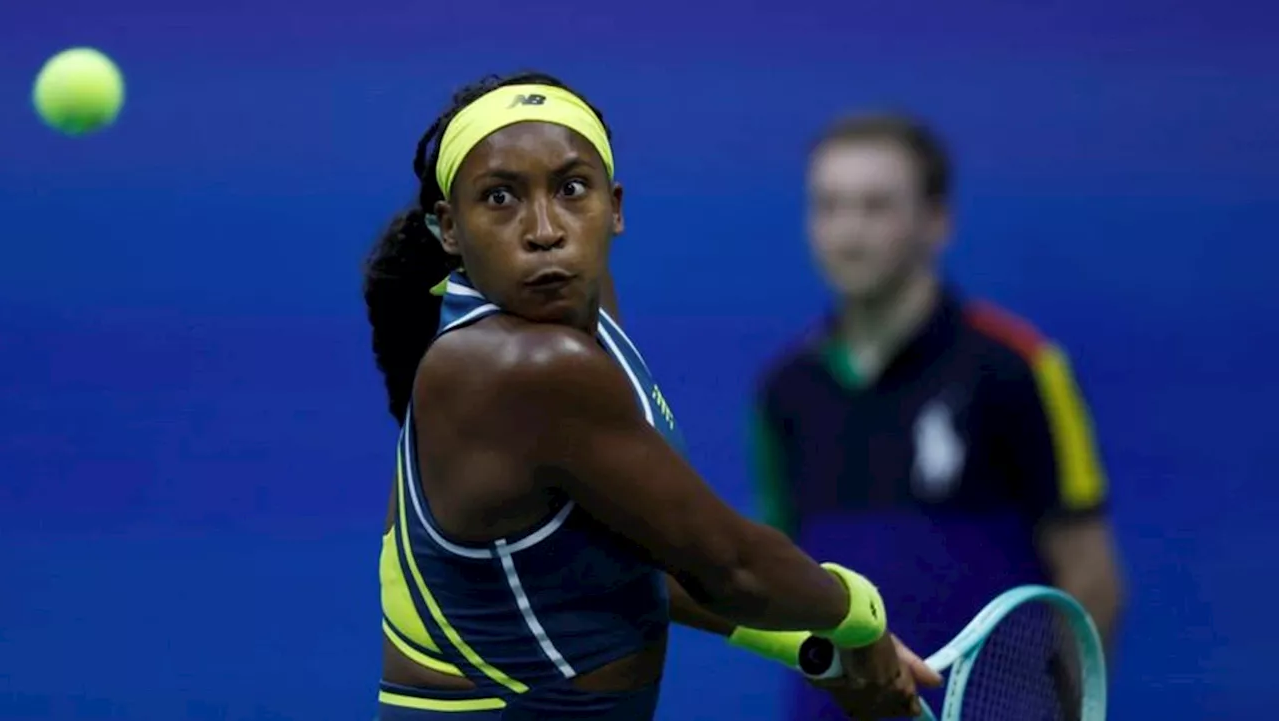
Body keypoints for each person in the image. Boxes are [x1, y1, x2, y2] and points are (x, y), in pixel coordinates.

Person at [360, 72, 940, 721]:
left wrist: (810, 643)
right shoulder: (519, 366)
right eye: (500, 198)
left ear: (614, 206)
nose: (544, 228)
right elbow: (730, 563)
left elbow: (633, 556)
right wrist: (861, 618)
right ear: (449, 227)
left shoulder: (578, 310)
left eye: (571, 188)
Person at [750, 112, 1126, 720]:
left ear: (936, 221)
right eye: (829, 206)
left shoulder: (1019, 368)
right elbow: (789, 575)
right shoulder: (783, 392)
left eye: (876, 207)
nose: (849, 232)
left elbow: (1092, 577)